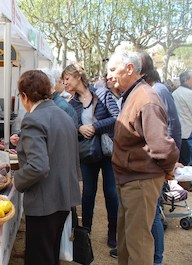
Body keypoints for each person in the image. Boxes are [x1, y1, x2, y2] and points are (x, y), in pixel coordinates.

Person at [106, 50, 179, 265]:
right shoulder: (134, 95)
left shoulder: (146, 98)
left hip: (140, 180)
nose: (109, 76)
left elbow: (162, 146)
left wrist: (169, 168)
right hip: (131, 179)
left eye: (112, 70)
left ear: (130, 69)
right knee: (128, 241)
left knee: (138, 244)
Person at [12, 70, 81, 265]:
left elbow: (38, 166)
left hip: (45, 201)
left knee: (39, 257)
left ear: (24, 96)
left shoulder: (34, 118)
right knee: (50, 254)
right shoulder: (63, 114)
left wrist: (17, 180)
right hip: (63, 197)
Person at [61, 63, 119, 248]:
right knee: (87, 193)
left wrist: (95, 126)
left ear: (78, 77)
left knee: (111, 193)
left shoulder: (101, 94)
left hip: (107, 152)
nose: (65, 83)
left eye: (67, 79)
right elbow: (70, 127)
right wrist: (80, 128)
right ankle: (85, 232)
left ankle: (113, 233)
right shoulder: (71, 103)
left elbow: (117, 117)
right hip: (87, 153)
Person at [172, 70, 192, 165]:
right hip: (189, 134)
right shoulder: (189, 94)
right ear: (187, 80)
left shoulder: (174, 93)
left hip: (179, 133)